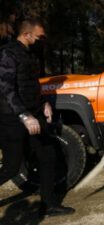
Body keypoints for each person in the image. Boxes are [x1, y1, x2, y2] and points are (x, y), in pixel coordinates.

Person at [0, 18, 75, 218]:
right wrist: (24, 115)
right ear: (27, 35)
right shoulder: (8, 53)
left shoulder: (30, 54)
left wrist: (44, 103)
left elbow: (31, 85)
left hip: (35, 114)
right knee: (11, 167)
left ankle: (48, 205)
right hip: (12, 119)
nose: (43, 39)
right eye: (40, 36)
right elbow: (6, 89)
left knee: (48, 156)